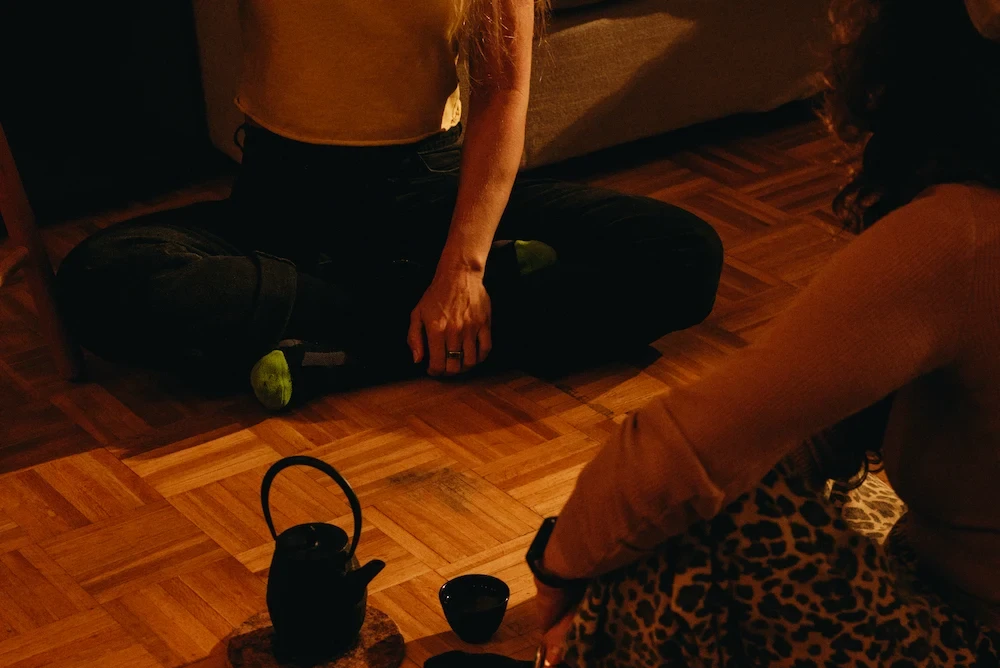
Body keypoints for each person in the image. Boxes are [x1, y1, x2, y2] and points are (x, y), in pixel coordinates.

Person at [401, 0, 1000, 668]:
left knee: (720, 507)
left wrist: (564, 575)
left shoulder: (962, 236)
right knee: (699, 495)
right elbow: (819, 429)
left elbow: (690, 447)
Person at [54, 0, 723, 407]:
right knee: (97, 280)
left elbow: (502, 97)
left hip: (425, 195)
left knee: (681, 256)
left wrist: (461, 271)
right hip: (280, 204)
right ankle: (409, 324)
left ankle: (353, 346)